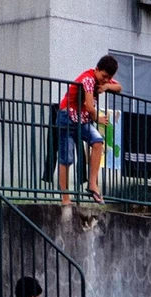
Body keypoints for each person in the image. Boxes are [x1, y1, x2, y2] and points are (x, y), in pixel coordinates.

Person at [52, 55, 121, 205]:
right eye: (103, 76)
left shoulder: (102, 80)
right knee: (66, 158)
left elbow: (119, 87)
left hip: (82, 119)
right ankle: (65, 198)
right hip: (67, 117)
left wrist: (107, 86)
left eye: (108, 78)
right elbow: (90, 107)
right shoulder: (88, 79)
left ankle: (92, 184)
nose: (105, 80)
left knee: (98, 141)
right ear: (96, 70)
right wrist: (97, 118)